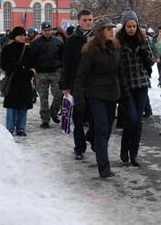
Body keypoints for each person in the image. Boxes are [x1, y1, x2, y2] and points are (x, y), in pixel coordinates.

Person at [73, 18, 128, 178]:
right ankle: (104, 167)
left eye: (112, 28)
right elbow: (81, 77)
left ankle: (90, 136)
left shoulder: (115, 48)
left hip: (112, 94)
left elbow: (121, 73)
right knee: (103, 129)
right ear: (99, 33)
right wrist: (79, 100)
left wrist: (125, 95)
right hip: (96, 94)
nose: (111, 31)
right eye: (107, 29)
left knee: (106, 128)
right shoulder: (90, 51)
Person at [116, 9, 155, 167]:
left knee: (138, 121)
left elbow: (152, 61)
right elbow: (116, 64)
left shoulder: (143, 40)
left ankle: (133, 154)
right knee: (131, 118)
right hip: (127, 85)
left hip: (141, 83)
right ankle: (124, 148)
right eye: (129, 26)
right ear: (124, 26)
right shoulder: (118, 42)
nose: (131, 28)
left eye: (134, 26)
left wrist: (147, 56)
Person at [61, 9, 94, 160]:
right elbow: (66, 64)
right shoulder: (72, 40)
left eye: (90, 20)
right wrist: (65, 85)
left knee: (95, 115)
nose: (88, 22)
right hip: (77, 84)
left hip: (95, 84)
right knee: (78, 117)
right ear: (79, 22)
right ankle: (79, 147)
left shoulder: (96, 39)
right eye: (85, 20)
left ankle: (92, 138)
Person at [0, 26, 35, 136]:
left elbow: (33, 64)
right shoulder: (7, 48)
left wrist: (30, 73)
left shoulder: (28, 48)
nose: (22, 37)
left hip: (25, 81)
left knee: (23, 106)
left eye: (24, 35)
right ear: (15, 36)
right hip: (13, 81)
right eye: (20, 35)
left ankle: (21, 128)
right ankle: (9, 128)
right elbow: (3, 64)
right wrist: (13, 67)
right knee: (11, 106)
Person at [30, 21, 64, 129]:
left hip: (55, 72)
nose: (47, 32)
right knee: (43, 97)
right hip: (41, 73)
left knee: (58, 94)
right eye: (45, 31)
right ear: (41, 31)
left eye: (49, 30)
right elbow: (32, 58)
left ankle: (53, 113)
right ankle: (45, 119)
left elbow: (62, 57)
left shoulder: (58, 42)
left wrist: (61, 68)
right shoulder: (35, 43)